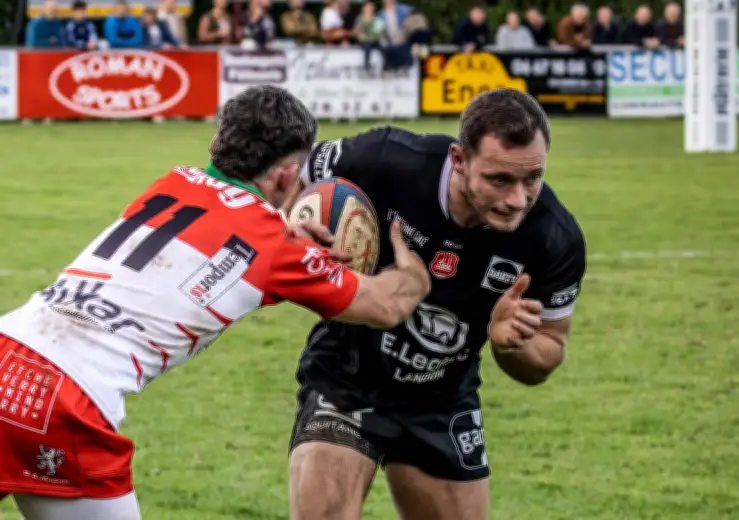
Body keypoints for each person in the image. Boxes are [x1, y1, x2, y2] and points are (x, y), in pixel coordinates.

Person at [0, 85, 430, 520]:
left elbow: (225, 227)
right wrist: (413, 270)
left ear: (215, 144)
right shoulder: (276, 248)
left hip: (9, 346)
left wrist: (284, 232)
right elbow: (385, 307)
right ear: (287, 175)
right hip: (64, 397)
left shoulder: (172, 182)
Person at [284, 88, 587, 520]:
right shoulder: (386, 158)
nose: (518, 199)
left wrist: (510, 343)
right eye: (499, 180)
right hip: (346, 378)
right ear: (459, 160)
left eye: (533, 178)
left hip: (443, 398)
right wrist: (293, 223)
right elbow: (292, 173)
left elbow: (549, 350)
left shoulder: (554, 238)